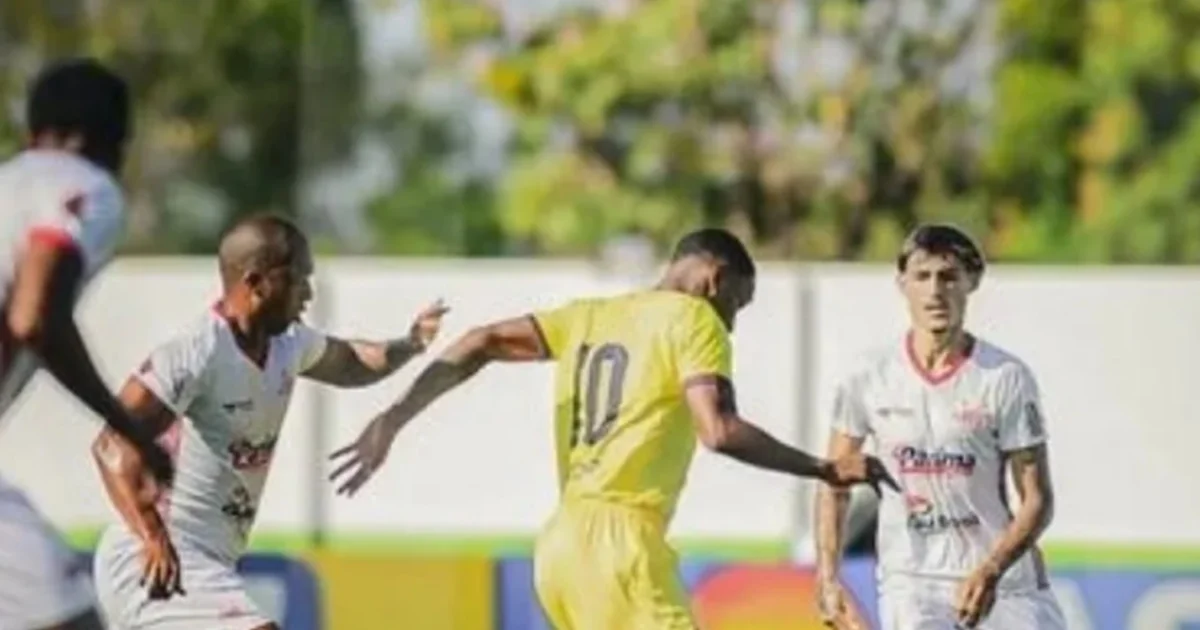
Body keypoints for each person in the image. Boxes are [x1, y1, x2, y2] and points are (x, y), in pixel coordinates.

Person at [330, 227, 898, 630]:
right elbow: (718, 430)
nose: (731, 322)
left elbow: (481, 340)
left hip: (560, 549)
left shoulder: (590, 317)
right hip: (622, 546)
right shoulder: (695, 319)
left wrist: (393, 418)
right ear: (713, 278)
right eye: (736, 304)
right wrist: (824, 467)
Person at [89, 214, 449, 630]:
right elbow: (111, 444)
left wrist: (410, 343)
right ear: (256, 282)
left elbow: (353, 363)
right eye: (299, 278)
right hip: (159, 556)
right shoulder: (196, 354)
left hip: (206, 561)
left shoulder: (289, 344)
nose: (309, 293)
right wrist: (153, 535)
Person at [814, 224, 1066, 630]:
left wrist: (992, 569)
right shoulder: (868, 376)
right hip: (912, 581)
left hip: (1004, 580)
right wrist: (828, 577)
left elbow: (1037, 500)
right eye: (922, 276)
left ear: (972, 281)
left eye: (948, 277)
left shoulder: (1005, 377)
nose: (935, 291)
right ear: (902, 283)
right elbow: (833, 483)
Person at [0, 58, 175, 630]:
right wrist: (130, 429)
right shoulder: (81, 183)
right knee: (67, 615)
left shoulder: (9, 182)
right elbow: (35, 317)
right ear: (103, 141)